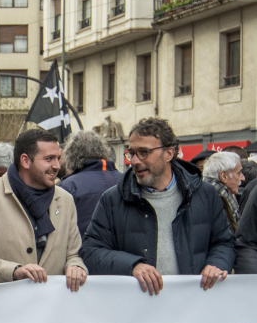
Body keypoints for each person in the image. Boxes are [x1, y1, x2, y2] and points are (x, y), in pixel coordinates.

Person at [81, 118, 235, 294]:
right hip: (137, 307)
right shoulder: (113, 199)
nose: (135, 161)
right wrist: (132, 265)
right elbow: (91, 251)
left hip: (192, 304)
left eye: (144, 152)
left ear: (169, 153)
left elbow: (224, 242)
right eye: (132, 153)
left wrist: (216, 264)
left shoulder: (204, 194)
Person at [0, 129, 88, 290]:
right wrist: (14, 271)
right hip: (3, 307)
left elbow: (74, 254)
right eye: (48, 159)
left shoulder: (65, 199)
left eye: (58, 158)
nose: (57, 166)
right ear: (25, 161)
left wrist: (76, 266)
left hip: (52, 307)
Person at [59, 131, 123, 237]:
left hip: (82, 251)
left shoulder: (68, 186)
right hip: (121, 251)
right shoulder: (126, 180)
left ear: (71, 155)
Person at [201, 149, 244, 233]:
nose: (242, 178)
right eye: (238, 173)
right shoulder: (216, 200)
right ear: (224, 176)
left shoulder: (207, 194)